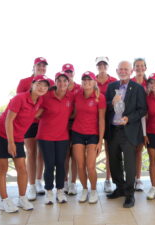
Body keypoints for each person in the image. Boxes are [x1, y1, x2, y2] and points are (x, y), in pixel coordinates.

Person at [0, 75, 50, 213]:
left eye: (45, 85)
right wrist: (11, 142)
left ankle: (22, 198)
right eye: (39, 84)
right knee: (2, 168)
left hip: (18, 137)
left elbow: (37, 112)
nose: (41, 87)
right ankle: (5, 201)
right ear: (32, 85)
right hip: (0, 135)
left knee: (22, 168)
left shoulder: (39, 100)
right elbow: (8, 121)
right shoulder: (19, 98)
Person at [105, 61, 147, 208]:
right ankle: (120, 188)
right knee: (114, 162)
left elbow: (142, 110)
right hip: (113, 131)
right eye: (120, 69)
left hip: (129, 131)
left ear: (131, 71)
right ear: (116, 71)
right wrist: (111, 103)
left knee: (129, 164)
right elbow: (104, 107)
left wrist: (129, 118)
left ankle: (130, 194)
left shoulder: (137, 88)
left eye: (126, 69)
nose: (123, 71)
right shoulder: (111, 87)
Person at [36, 72, 74, 204]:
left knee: (61, 164)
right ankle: (48, 191)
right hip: (45, 136)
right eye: (59, 80)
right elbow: (36, 113)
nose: (62, 83)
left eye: (65, 81)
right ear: (55, 82)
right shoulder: (46, 96)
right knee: (49, 164)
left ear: (69, 83)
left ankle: (60, 190)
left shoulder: (70, 97)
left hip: (62, 136)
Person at [16, 57, 49, 200]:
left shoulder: (50, 82)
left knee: (41, 152)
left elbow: (47, 103)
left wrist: (38, 113)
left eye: (44, 66)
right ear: (34, 66)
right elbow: (20, 103)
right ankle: (31, 186)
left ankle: (38, 181)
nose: (41, 67)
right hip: (28, 123)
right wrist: (31, 115)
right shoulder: (24, 82)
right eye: (39, 65)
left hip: (43, 122)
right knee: (30, 152)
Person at [72, 71, 106, 204]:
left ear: (94, 82)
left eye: (89, 79)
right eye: (84, 80)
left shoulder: (100, 97)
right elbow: (73, 113)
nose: (86, 82)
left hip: (93, 134)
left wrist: (100, 140)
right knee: (80, 165)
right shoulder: (77, 95)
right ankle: (84, 189)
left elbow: (101, 120)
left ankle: (93, 190)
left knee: (90, 165)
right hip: (77, 132)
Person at [95, 56, 117, 193]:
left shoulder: (114, 81)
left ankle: (108, 179)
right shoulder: (91, 80)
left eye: (104, 64)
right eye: (99, 64)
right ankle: (89, 182)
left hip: (109, 119)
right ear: (96, 66)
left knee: (109, 151)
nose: (102, 66)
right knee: (93, 151)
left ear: (108, 66)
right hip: (93, 120)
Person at [62, 64, 80, 196]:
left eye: (70, 72)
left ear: (73, 73)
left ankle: (73, 183)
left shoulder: (79, 88)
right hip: (62, 125)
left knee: (74, 155)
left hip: (76, 125)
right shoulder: (60, 88)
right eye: (66, 72)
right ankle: (65, 182)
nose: (68, 74)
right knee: (64, 156)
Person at [131, 58, 148, 191]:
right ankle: (130, 178)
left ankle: (138, 179)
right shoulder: (129, 82)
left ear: (145, 68)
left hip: (147, 121)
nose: (139, 68)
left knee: (139, 151)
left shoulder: (150, 83)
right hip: (133, 120)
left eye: (141, 66)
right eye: (137, 66)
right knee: (130, 151)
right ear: (133, 68)